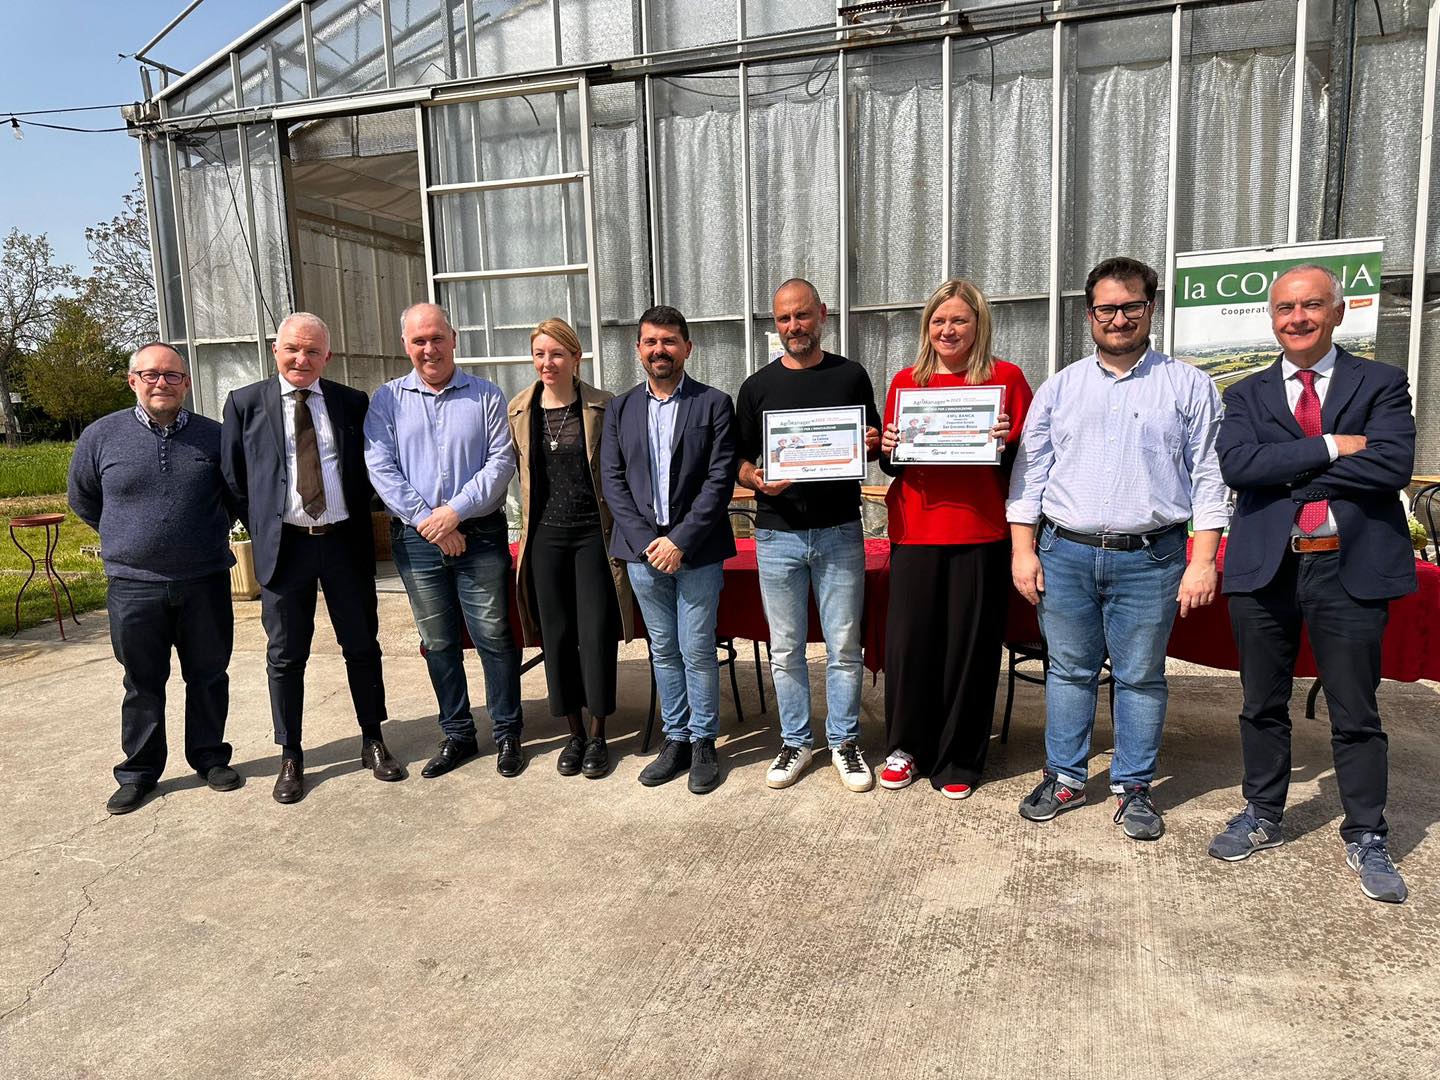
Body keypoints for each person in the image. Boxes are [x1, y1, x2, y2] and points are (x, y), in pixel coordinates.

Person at [1209, 264, 1415, 904]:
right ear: (1272, 318)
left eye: (1311, 305)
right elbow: (1238, 466)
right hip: (1266, 567)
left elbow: (1392, 465)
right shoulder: (1245, 394)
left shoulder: (1380, 381)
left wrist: (1286, 472)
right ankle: (1263, 812)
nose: (1297, 318)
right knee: (1260, 702)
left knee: (1355, 709)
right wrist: (1332, 446)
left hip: (1348, 567)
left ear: (1337, 312)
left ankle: (1367, 832)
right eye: (1285, 308)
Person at [1007, 256, 1228, 841]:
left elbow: (1209, 478)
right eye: (1106, 308)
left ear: (1150, 309)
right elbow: (1030, 475)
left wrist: (1203, 561)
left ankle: (1134, 787)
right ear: (1089, 315)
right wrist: (1023, 551)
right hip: (1066, 553)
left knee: (1141, 676)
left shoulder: (1188, 385)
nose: (1119, 318)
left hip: (1152, 558)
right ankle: (1065, 777)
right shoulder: (1061, 388)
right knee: (1069, 672)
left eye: (1131, 306)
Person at [221, 313, 399, 805]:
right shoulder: (244, 403)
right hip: (286, 548)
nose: (302, 359)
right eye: (293, 349)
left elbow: (368, 469)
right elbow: (234, 478)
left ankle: (373, 739)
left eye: (313, 351)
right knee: (285, 655)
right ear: (275, 350)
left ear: (327, 356)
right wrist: (265, 523)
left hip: (343, 543)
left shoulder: (351, 402)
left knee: (361, 645)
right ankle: (291, 754)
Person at [876, 279, 1032, 798]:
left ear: (978, 324)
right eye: (939, 321)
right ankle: (906, 747)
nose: (948, 330)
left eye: (959, 320)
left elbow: (1027, 462)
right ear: (927, 328)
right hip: (916, 530)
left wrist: (1004, 442)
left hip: (980, 530)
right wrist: (889, 447)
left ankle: (960, 756)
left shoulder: (1006, 379)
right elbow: (894, 464)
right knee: (910, 646)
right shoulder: (906, 381)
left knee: (970, 650)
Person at [69, 343, 240, 814]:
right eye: (151, 375)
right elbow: (84, 499)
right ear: (133, 381)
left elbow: (233, 497)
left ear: (186, 383)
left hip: (204, 580)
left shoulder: (214, 437)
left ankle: (210, 757)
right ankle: (139, 773)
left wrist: (200, 536)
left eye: (172, 375)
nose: (162, 383)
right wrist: (128, 537)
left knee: (208, 676)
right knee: (141, 682)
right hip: (133, 585)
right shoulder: (101, 437)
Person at [364, 302, 525, 779]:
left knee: (493, 635)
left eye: (437, 338)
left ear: (454, 339)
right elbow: (380, 466)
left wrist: (453, 514)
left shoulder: (486, 395)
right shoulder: (386, 400)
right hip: (417, 540)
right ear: (406, 345)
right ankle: (457, 734)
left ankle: (507, 731)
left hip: (481, 533)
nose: (429, 348)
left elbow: (500, 463)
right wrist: (428, 522)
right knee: (438, 642)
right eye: (419, 340)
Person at [734, 278, 881, 793]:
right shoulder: (756, 387)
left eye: (801, 315)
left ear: (822, 314)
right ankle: (795, 741)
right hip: (778, 535)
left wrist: (870, 442)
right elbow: (739, 460)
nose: (793, 326)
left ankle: (844, 741)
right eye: (783, 318)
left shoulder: (850, 375)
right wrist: (755, 478)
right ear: (775, 324)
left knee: (844, 646)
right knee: (786, 649)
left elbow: (872, 442)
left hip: (840, 530)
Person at [600, 305, 738, 794]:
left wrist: (679, 541)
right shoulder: (619, 409)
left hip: (696, 550)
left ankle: (704, 742)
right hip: (642, 554)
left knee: (697, 648)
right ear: (638, 349)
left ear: (687, 348)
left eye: (669, 341)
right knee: (663, 648)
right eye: (651, 342)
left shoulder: (714, 404)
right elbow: (613, 482)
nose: (660, 350)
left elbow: (720, 479)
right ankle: (675, 738)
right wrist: (648, 543)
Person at [508, 318, 634, 779]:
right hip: (545, 537)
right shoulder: (520, 409)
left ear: (576, 358)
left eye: (557, 354)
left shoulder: (603, 405)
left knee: (595, 633)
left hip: (592, 536)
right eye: (540, 354)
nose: (547, 363)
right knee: (557, 635)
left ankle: (599, 733)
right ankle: (574, 732)